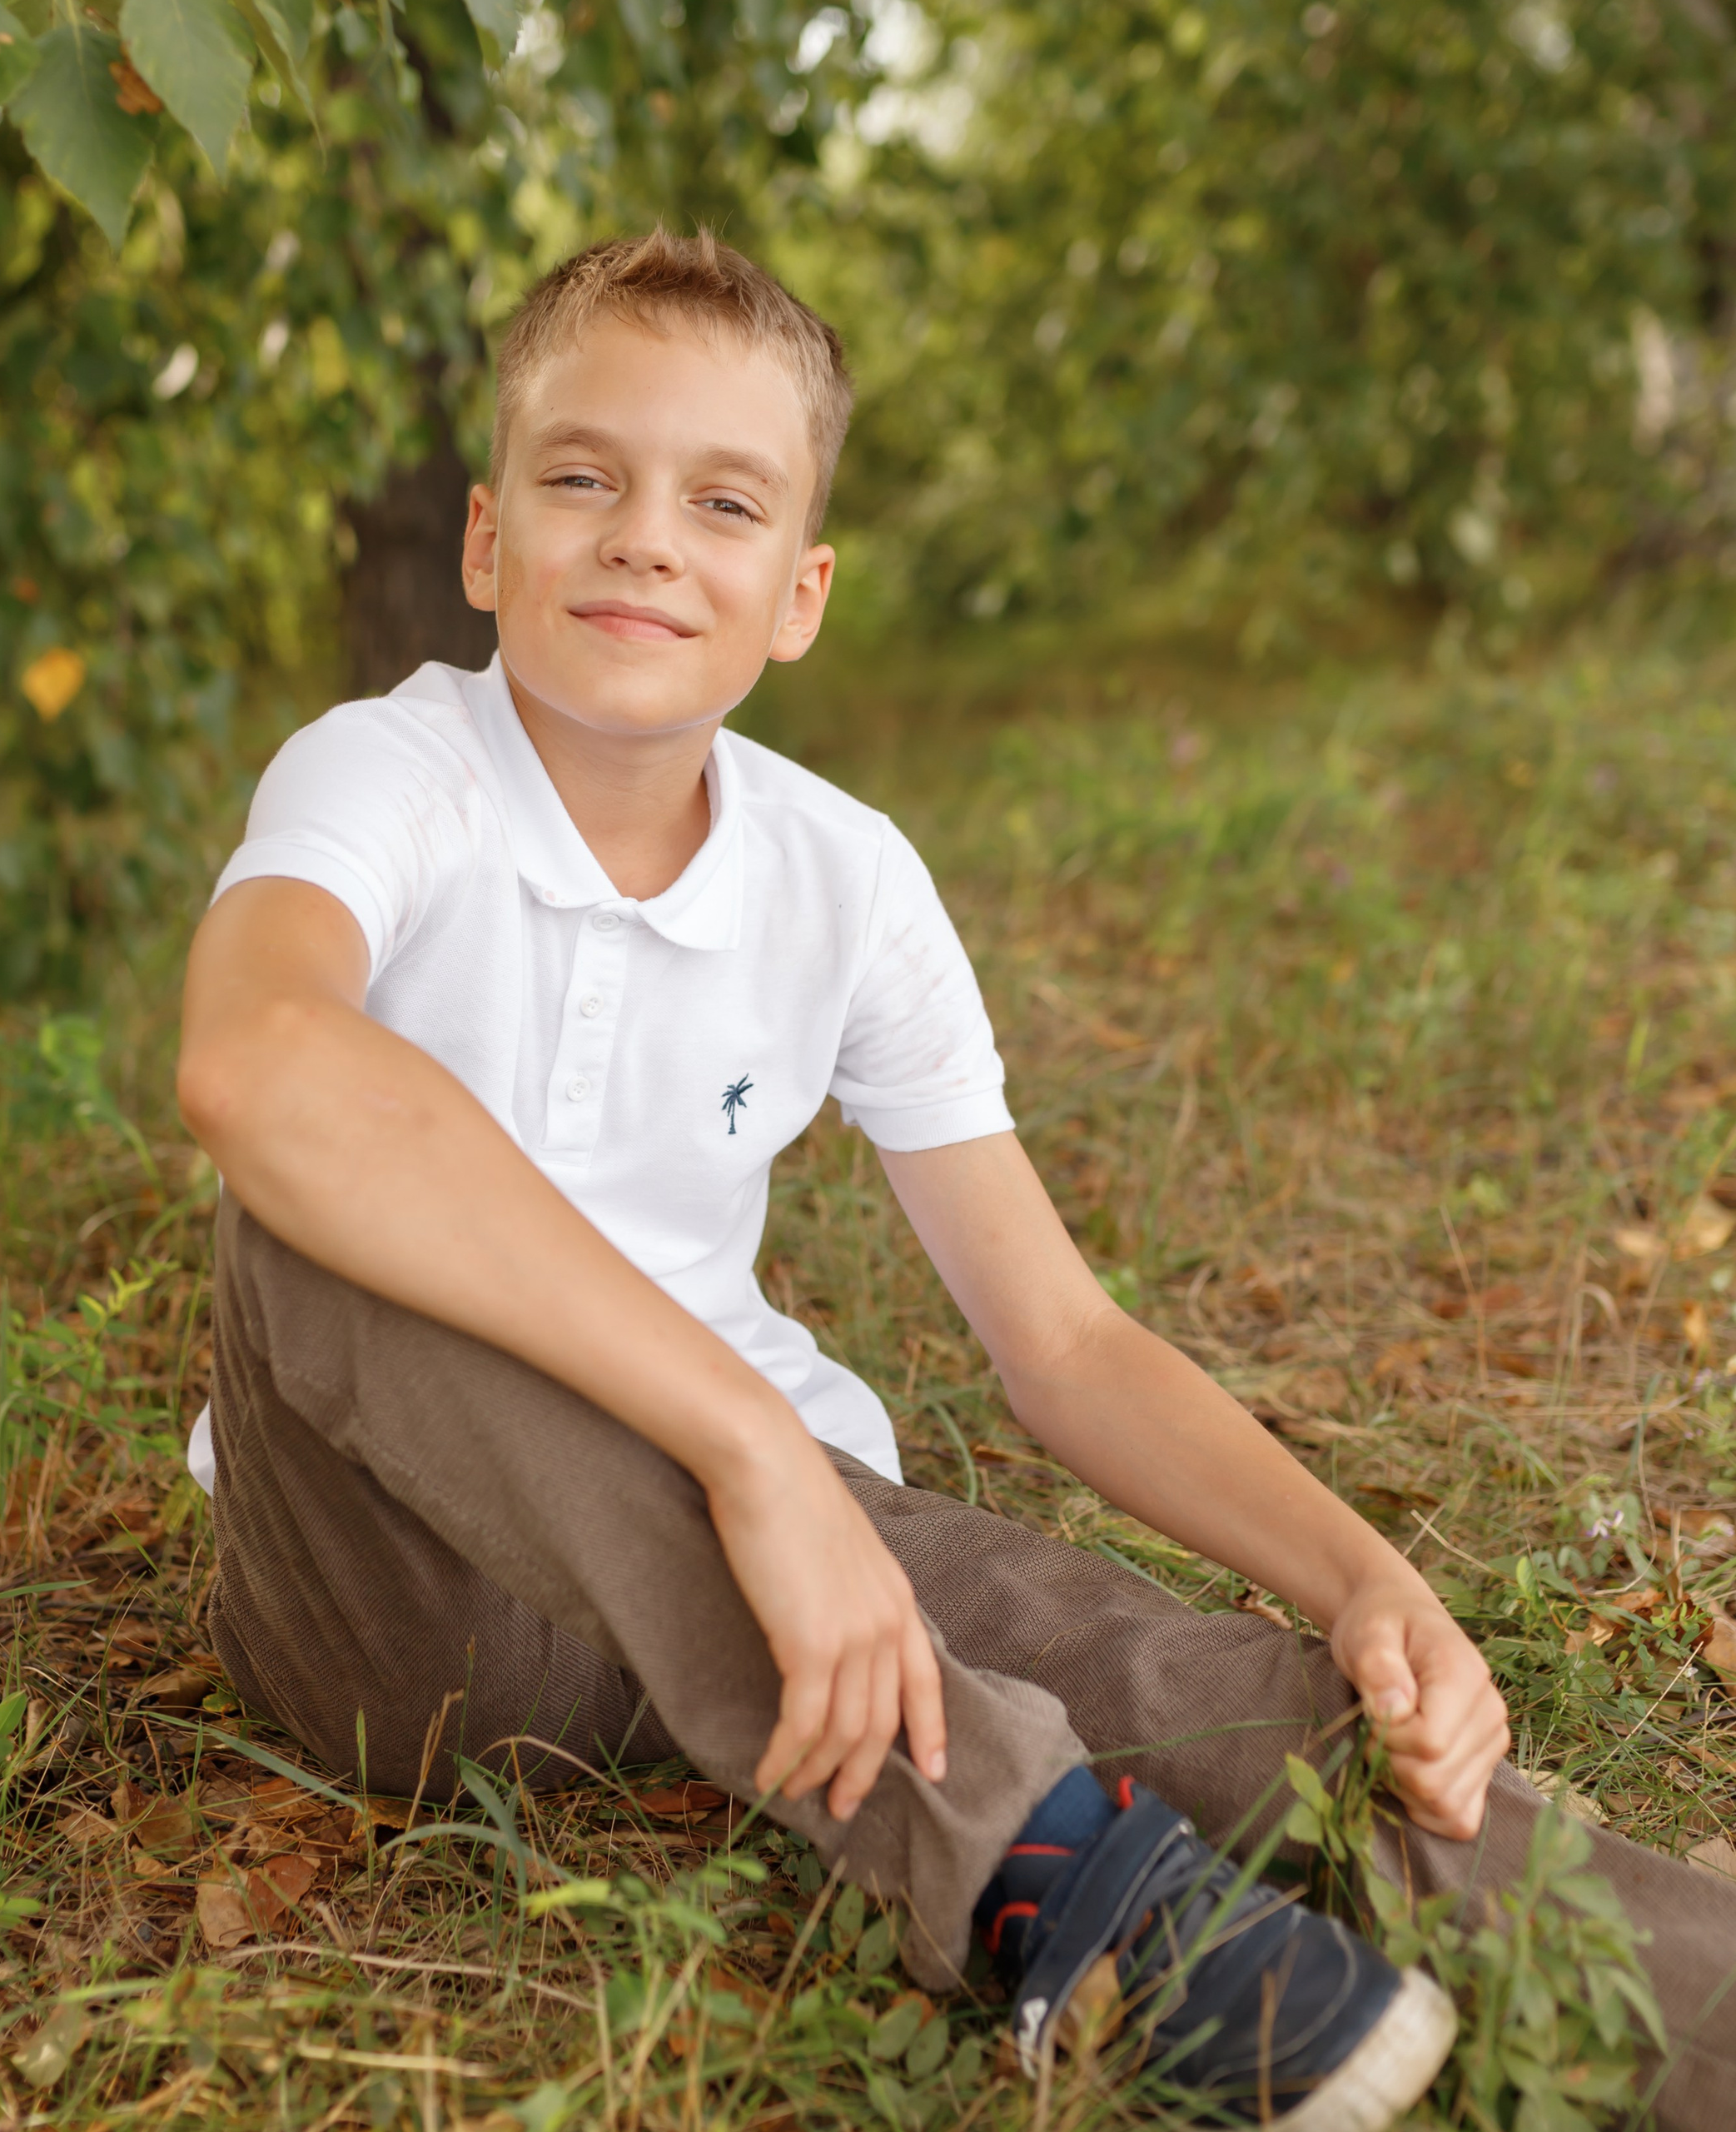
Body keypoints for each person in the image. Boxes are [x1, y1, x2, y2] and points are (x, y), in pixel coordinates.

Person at [176, 232, 1735, 2127]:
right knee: (322, 1203)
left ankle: (1665, 2007)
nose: (646, 536)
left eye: (723, 500)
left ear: (797, 592)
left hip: (766, 1593)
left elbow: (1059, 1338)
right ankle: (1052, 1884)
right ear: (489, 540)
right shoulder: (384, 772)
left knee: (1202, 1684)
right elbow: (254, 1059)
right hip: (399, 1601)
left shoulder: (846, 877)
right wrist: (754, 1455)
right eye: (582, 476)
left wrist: (1359, 1572)